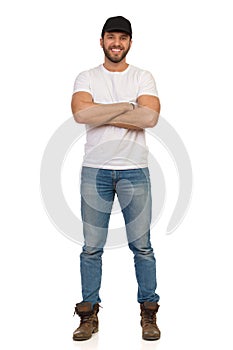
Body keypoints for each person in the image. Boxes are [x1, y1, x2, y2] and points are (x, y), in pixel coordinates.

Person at [71, 16, 161, 341]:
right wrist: (127, 107)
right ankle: (88, 314)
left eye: (122, 38)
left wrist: (102, 111)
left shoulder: (143, 77)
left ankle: (148, 313)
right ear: (102, 40)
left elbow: (149, 117)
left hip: (134, 170)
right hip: (95, 170)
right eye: (111, 37)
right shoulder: (87, 77)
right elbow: (81, 114)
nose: (116, 43)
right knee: (91, 249)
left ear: (130, 43)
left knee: (143, 247)